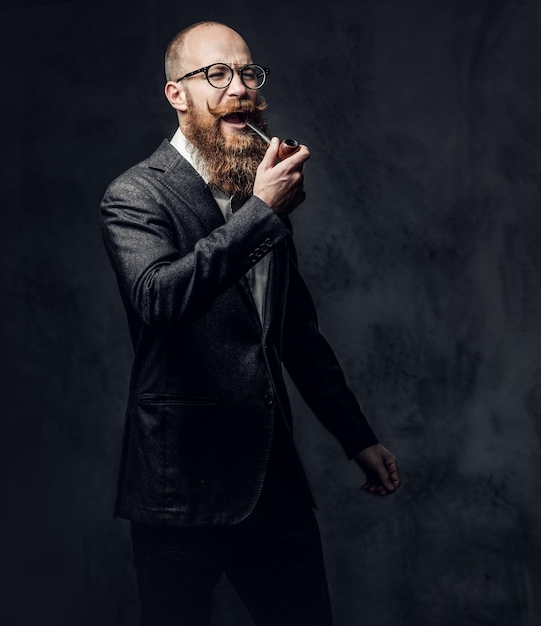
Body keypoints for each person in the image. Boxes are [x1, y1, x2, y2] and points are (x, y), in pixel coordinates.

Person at [100, 20, 401, 626]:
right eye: (216, 74)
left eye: (247, 73)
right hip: (178, 487)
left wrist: (356, 437)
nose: (239, 88)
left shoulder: (256, 187)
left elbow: (295, 334)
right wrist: (261, 212)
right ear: (176, 95)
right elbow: (159, 298)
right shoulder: (136, 194)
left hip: (272, 480)